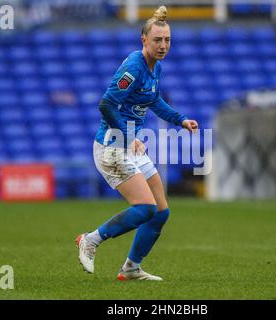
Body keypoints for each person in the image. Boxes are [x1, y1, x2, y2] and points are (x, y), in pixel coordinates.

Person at [75, 6, 198, 281]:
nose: (163, 45)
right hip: (112, 146)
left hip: (129, 145)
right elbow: (106, 104)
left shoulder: (157, 68)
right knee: (145, 208)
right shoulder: (134, 66)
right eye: (157, 40)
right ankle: (91, 240)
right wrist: (130, 139)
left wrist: (181, 120)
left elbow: (154, 101)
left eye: (167, 40)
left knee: (161, 212)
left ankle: (131, 267)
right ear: (144, 40)